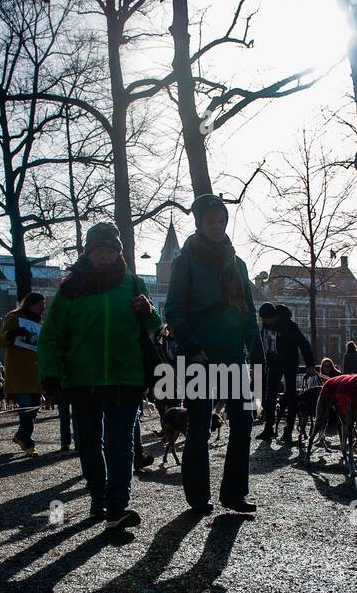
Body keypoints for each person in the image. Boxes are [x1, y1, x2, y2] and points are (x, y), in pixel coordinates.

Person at [38, 222, 162, 529]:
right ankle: (98, 499)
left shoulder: (133, 284)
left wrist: (149, 312)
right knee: (88, 444)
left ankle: (117, 507)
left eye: (110, 250)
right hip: (82, 379)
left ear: (118, 253)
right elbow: (52, 335)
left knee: (119, 443)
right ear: (88, 253)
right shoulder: (70, 289)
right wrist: (50, 377)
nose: (104, 255)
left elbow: (156, 328)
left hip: (126, 377)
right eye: (99, 250)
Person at [164, 193, 261, 515]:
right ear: (200, 224)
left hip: (234, 353)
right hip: (199, 355)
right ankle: (198, 497)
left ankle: (234, 493)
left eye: (221, 220)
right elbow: (173, 309)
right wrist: (191, 347)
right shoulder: (186, 259)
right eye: (211, 221)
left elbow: (248, 311)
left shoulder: (238, 262)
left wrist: (254, 354)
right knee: (200, 423)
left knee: (244, 422)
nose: (217, 225)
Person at [256, 302, 315, 444]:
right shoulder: (266, 324)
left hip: (289, 363)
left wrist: (310, 365)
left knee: (291, 395)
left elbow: (304, 344)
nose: (265, 322)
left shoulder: (290, 326)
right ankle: (268, 428)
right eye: (263, 320)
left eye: (267, 319)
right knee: (269, 396)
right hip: (273, 362)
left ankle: (288, 431)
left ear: (274, 316)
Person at [0, 291, 46, 456]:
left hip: (35, 373)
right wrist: (13, 333)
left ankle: (20, 436)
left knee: (33, 410)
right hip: (19, 372)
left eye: (44, 305)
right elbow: (1, 340)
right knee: (26, 410)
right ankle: (28, 443)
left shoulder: (40, 323)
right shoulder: (13, 317)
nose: (43, 308)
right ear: (31, 304)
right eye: (40, 305)